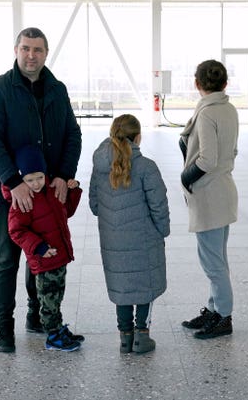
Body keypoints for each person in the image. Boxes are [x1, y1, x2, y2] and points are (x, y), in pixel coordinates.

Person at [0, 27, 82, 353]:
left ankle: (36, 316)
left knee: (42, 257)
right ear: (15, 50)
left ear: (46, 53)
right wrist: (13, 182)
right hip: (7, 192)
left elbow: (72, 135)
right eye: (25, 48)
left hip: (45, 195)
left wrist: (64, 176)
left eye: (37, 49)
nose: (31, 55)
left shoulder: (57, 89)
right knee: (6, 259)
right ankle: (3, 328)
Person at [89, 114, 170, 354]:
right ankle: (142, 337)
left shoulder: (100, 165)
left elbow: (94, 204)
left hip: (112, 238)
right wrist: (163, 229)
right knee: (144, 283)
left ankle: (125, 338)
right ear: (138, 137)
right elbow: (159, 205)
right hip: (143, 237)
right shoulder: (146, 166)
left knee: (122, 286)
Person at [1, 144, 84, 352]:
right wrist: (38, 247)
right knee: (48, 298)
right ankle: (53, 335)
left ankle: (57, 329)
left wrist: (72, 192)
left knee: (56, 295)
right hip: (44, 259)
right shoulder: (22, 201)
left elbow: (66, 212)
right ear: (20, 178)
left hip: (59, 256)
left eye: (39, 177)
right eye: (29, 180)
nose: (35, 183)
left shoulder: (50, 191)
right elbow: (16, 230)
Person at [179, 59, 239, 340]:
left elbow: (207, 159)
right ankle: (214, 309)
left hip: (210, 195)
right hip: (224, 190)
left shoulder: (205, 114)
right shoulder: (228, 109)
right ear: (225, 84)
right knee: (218, 258)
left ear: (197, 83)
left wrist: (185, 178)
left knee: (212, 262)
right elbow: (232, 152)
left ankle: (223, 316)